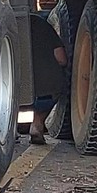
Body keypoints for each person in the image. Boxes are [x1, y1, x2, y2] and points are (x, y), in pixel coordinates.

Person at [28, 13, 68, 145]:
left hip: (16, 87)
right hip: (45, 90)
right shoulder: (43, 26)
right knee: (49, 94)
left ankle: (12, 131)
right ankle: (37, 124)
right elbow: (61, 59)